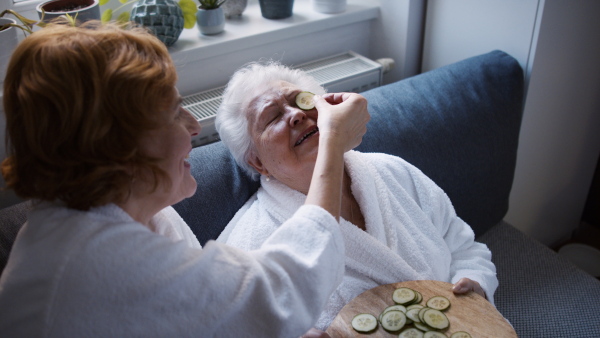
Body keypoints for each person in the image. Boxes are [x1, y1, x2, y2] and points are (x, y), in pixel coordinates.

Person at [0, 21, 370, 337]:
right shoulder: (94, 265)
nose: (194, 126)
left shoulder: (140, 216)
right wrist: (331, 147)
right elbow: (283, 291)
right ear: (118, 143)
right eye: (175, 112)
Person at [215, 62, 499, 330]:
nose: (297, 114)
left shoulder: (393, 171)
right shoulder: (253, 245)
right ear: (258, 163)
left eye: (300, 100)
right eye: (273, 116)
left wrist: (474, 283)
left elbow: (463, 246)